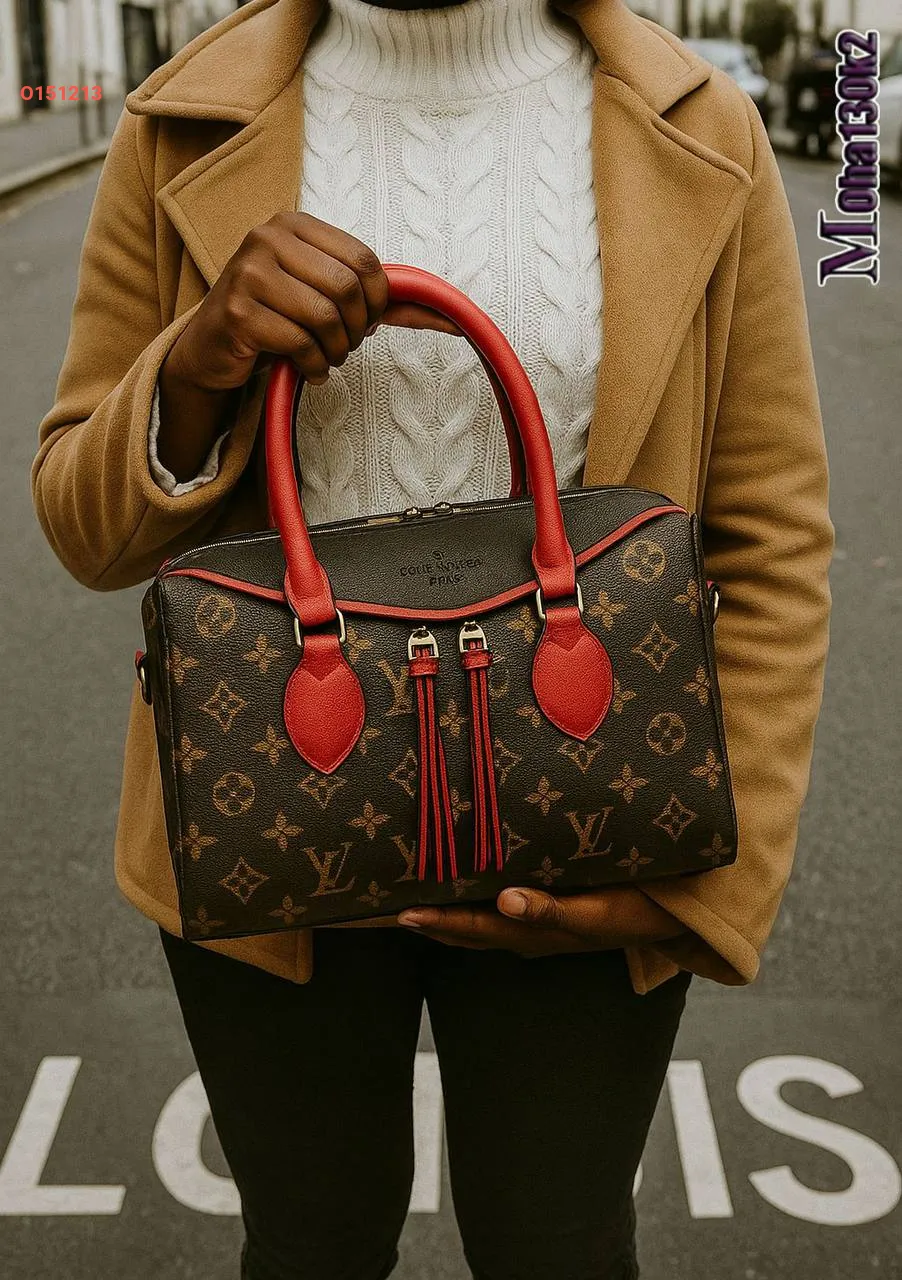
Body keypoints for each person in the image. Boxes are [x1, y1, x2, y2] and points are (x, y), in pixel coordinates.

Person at [29, 0, 834, 1274]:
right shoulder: (182, 122)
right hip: (270, 822)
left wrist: (697, 886)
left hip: (587, 822)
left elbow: (770, 537)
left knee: (560, 1246)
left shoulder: (698, 125)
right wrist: (196, 364)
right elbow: (85, 526)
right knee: (309, 1244)